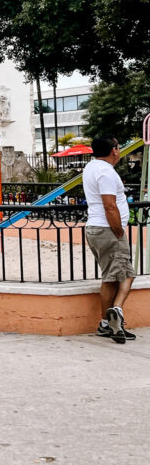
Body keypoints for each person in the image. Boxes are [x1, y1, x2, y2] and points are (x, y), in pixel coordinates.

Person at [83, 136, 136, 343]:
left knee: (125, 275)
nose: (120, 150)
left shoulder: (92, 167)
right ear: (114, 150)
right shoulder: (105, 172)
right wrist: (119, 231)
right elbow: (110, 205)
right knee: (112, 278)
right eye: (118, 146)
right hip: (108, 230)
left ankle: (114, 317)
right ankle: (109, 320)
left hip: (99, 229)